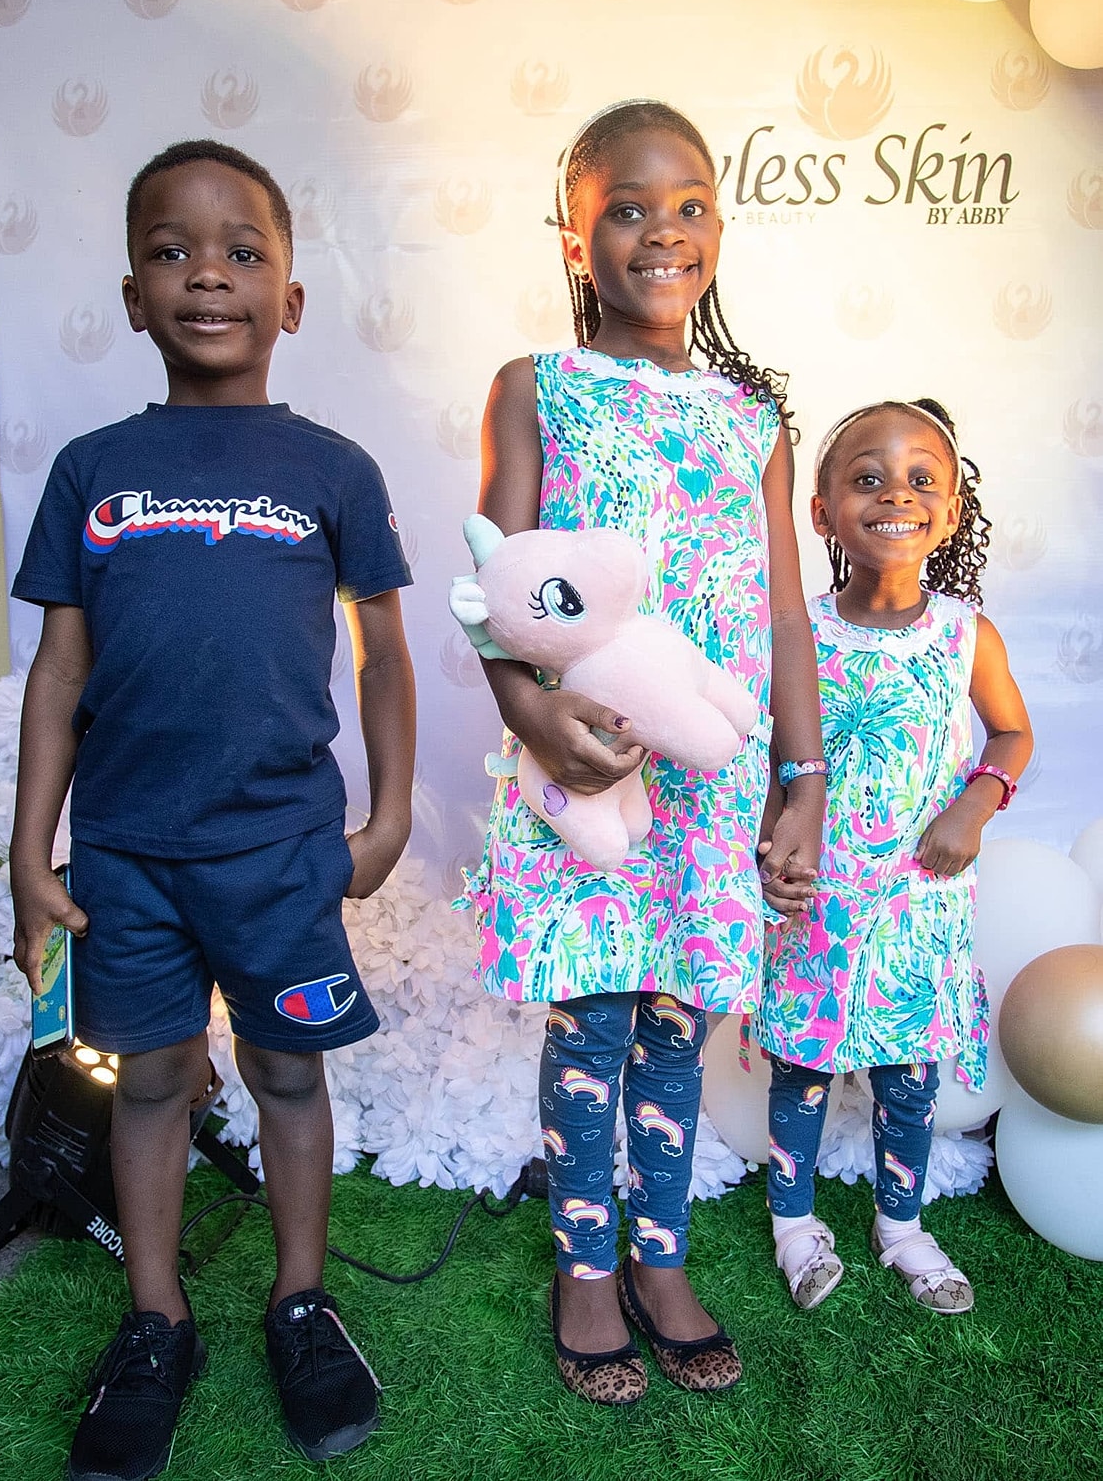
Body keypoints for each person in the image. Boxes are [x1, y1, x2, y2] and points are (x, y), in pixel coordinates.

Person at [9, 140, 416, 1478]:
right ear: (133, 294)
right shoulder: (90, 470)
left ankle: (300, 1303)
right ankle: (155, 1318)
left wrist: (390, 810)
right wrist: (32, 852)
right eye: (173, 251)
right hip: (127, 857)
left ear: (290, 298)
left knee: (286, 1071)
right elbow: (61, 669)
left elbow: (386, 653)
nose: (209, 276)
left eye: (243, 252)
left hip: (283, 856)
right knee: (157, 1082)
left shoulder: (334, 471)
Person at [461, 99, 824, 1404]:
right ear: (572, 236)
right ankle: (581, 1266)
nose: (658, 232)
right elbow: (485, 583)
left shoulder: (753, 413)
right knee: (594, 1014)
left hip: (711, 776)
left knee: (677, 1013)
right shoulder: (532, 388)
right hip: (583, 771)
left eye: (686, 207)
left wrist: (802, 781)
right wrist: (526, 709)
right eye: (624, 207)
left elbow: (784, 612)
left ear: (715, 228)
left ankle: (659, 1258)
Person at [756, 398, 1032, 1314]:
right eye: (866, 478)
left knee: (906, 1071)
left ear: (948, 513)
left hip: (919, 898)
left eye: (921, 480)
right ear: (821, 510)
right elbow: (770, 749)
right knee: (801, 1062)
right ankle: (793, 1221)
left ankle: (901, 1224)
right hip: (817, 894)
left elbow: (1011, 733)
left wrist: (975, 805)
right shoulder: (796, 636)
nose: (894, 494)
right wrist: (770, 841)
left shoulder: (963, 637)